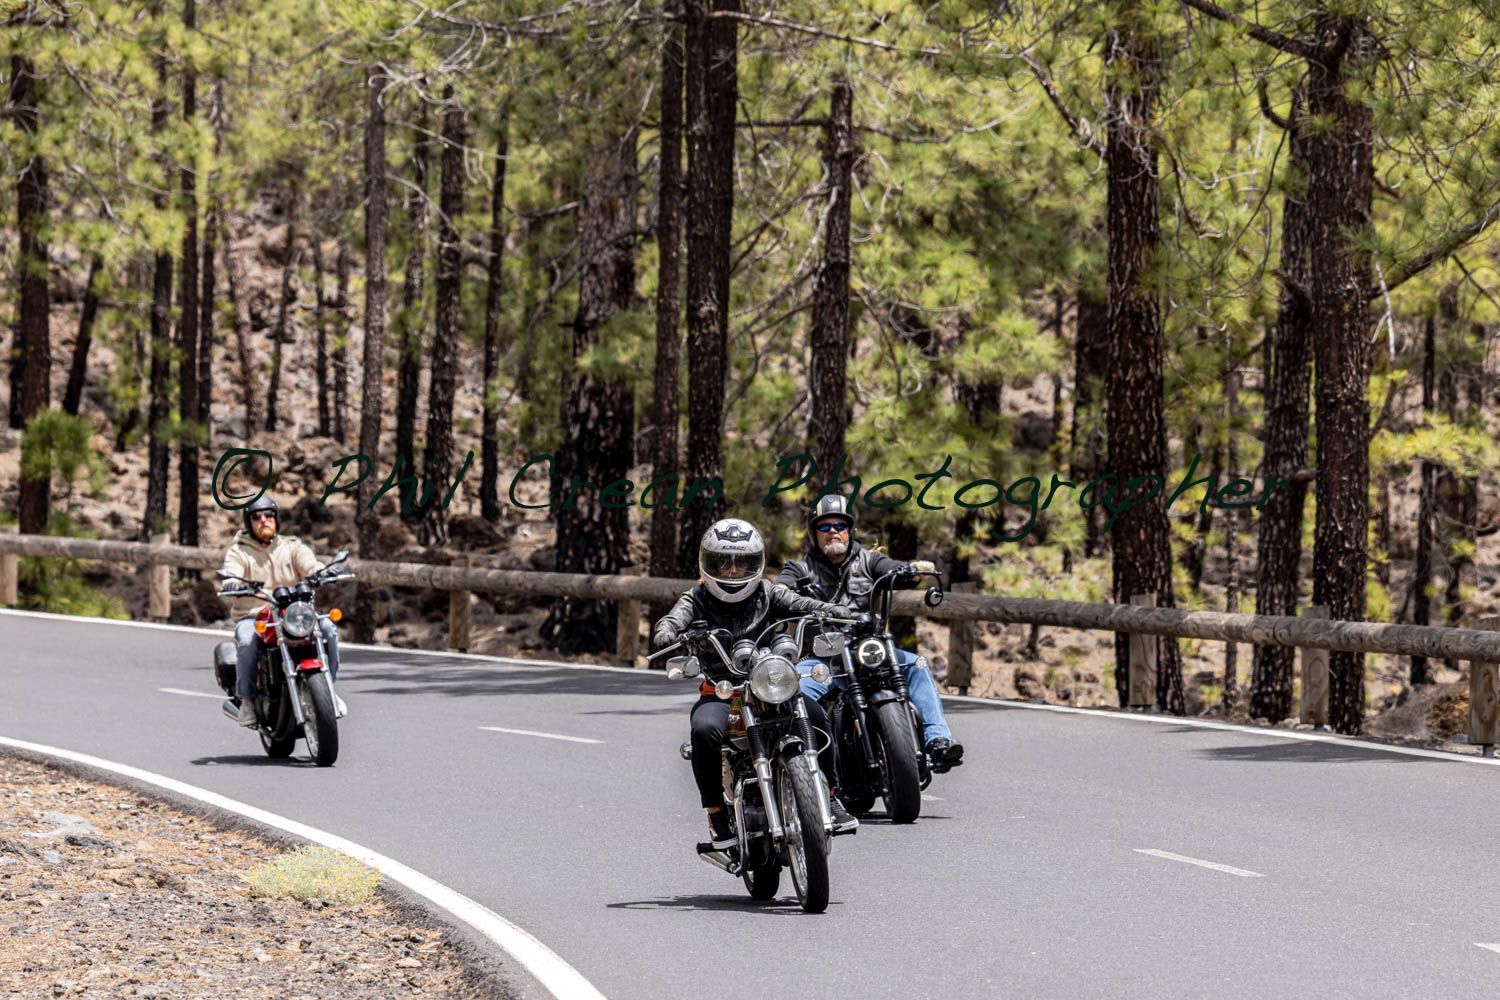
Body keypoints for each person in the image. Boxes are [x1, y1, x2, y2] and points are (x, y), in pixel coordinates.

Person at [652, 516, 860, 850]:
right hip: (724, 692)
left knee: (817, 717)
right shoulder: (696, 598)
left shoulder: (768, 591)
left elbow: (799, 604)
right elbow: (670, 622)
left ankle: (831, 797)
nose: (733, 571)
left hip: (772, 685)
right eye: (724, 563)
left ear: (757, 564)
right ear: (708, 564)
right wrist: (671, 634)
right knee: (704, 732)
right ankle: (716, 813)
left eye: (741, 563)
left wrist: (832, 610)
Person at [775, 494, 965, 772]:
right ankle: (799, 763)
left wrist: (909, 571)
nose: (832, 533)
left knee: (917, 665)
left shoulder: (869, 561)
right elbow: (781, 588)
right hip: (824, 659)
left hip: (869, 652)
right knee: (793, 693)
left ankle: (938, 741)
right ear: (814, 533)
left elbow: (891, 569)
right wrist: (783, 591)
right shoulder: (800, 569)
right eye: (824, 527)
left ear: (850, 531)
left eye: (839, 526)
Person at [220, 495, 347, 726]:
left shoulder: (292, 547)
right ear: (249, 523)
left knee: (327, 627)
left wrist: (322, 572)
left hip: (295, 613)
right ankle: (247, 700)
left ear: (276, 519)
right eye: (256, 517)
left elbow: (310, 564)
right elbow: (231, 570)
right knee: (247, 639)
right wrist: (233, 583)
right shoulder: (239, 552)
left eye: (268, 516)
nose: (263, 521)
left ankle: (328, 689)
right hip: (256, 616)